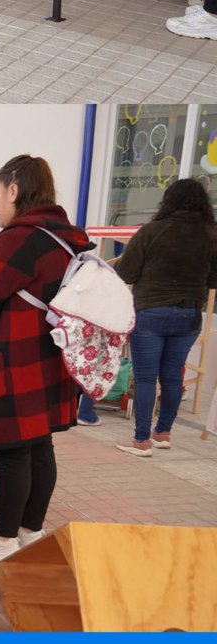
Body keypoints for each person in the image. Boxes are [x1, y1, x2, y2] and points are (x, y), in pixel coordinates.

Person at [0, 154, 89, 561]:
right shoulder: (67, 237)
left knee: (13, 450)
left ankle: (1, 540)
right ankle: (30, 531)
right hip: (49, 360)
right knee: (38, 447)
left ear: (14, 190)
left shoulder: (18, 237)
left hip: (16, 362)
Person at [112, 179, 217, 456]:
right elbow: (214, 279)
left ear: (168, 201)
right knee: (172, 376)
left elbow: (126, 273)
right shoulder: (211, 235)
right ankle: (163, 433)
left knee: (146, 378)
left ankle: (141, 440)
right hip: (189, 313)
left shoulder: (152, 232)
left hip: (151, 312)